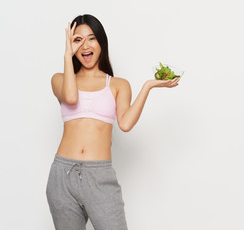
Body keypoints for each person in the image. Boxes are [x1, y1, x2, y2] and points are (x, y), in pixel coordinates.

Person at [45, 14, 180, 230]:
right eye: (77, 40)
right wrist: (66, 56)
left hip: (100, 176)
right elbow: (70, 97)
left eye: (91, 38)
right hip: (62, 175)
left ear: (101, 42)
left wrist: (148, 86)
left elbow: (125, 124)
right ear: (70, 45)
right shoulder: (59, 79)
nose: (85, 46)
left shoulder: (118, 85)